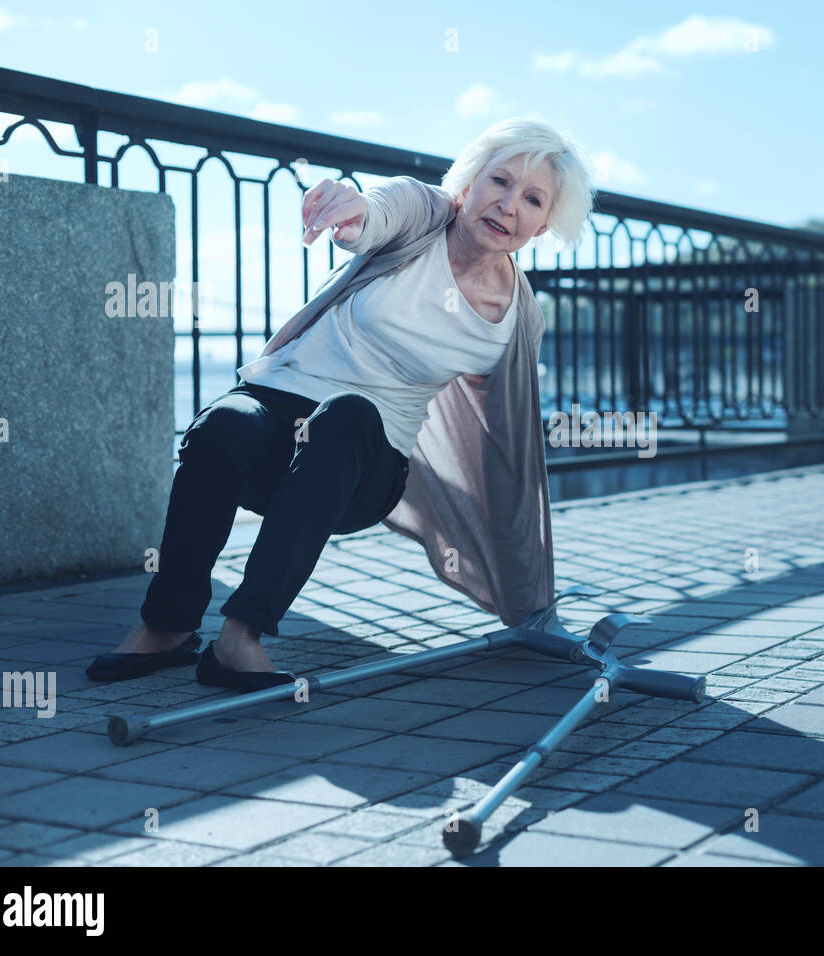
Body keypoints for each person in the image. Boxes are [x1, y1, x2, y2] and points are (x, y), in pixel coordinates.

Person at [86, 117, 596, 691]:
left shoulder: (516, 320)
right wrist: (347, 210)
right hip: (273, 423)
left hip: (363, 463)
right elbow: (375, 213)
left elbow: (510, 451)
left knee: (348, 416)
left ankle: (240, 637)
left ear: (546, 222)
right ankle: (167, 628)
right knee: (222, 424)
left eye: (531, 198)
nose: (507, 205)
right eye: (499, 182)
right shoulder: (424, 215)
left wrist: (531, 595)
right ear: (468, 183)